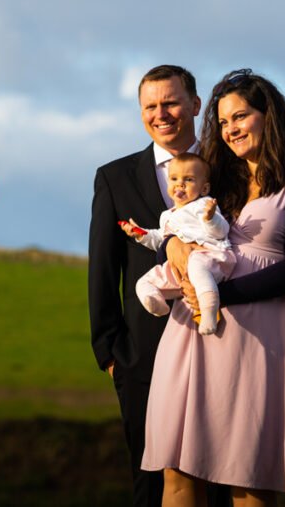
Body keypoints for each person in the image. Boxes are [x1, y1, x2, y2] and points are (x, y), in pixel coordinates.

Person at [142, 69, 285, 507]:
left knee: (248, 480)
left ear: (269, 117)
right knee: (178, 472)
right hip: (191, 334)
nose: (230, 130)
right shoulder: (213, 185)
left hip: (259, 342)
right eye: (223, 122)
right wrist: (171, 246)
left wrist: (224, 296)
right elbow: (171, 235)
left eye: (241, 116)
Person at [88, 64, 201, 506]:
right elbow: (102, 268)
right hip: (143, 359)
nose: (162, 114)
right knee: (151, 484)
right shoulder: (114, 178)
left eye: (171, 102)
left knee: (221, 481)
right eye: (150, 106)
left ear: (194, 104)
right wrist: (111, 354)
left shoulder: (227, 171)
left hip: (222, 345)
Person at [120, 153, 236, 336]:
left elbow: (222, 231)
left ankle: (209, 312)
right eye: (174, 179)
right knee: (144, 281)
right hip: (181, 267)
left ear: (204, 188)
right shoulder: (167, 215)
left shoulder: (204, 205)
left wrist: (210, 218)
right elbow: (159, 239)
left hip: (212, 257)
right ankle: (157, 304)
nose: (180, 184)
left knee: (196, 265)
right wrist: (141, 234)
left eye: (189, 179)